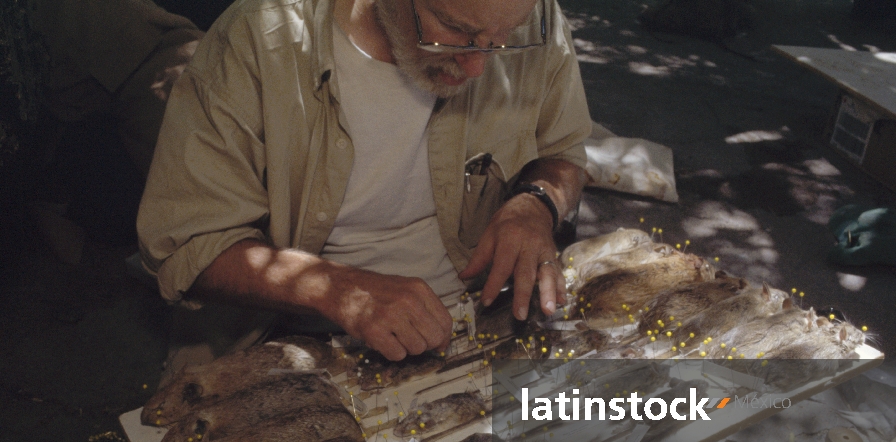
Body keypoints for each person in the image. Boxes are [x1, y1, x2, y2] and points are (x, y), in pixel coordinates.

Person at [136, 0, 591, 361]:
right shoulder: (257, 40)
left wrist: (535, 203)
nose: (477, 67)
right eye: (456, 31)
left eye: (503, 38)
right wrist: (338, 290)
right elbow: (188, 246)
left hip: (484, 313)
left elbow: (564, 154)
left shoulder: (529, 15)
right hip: (294, 337)